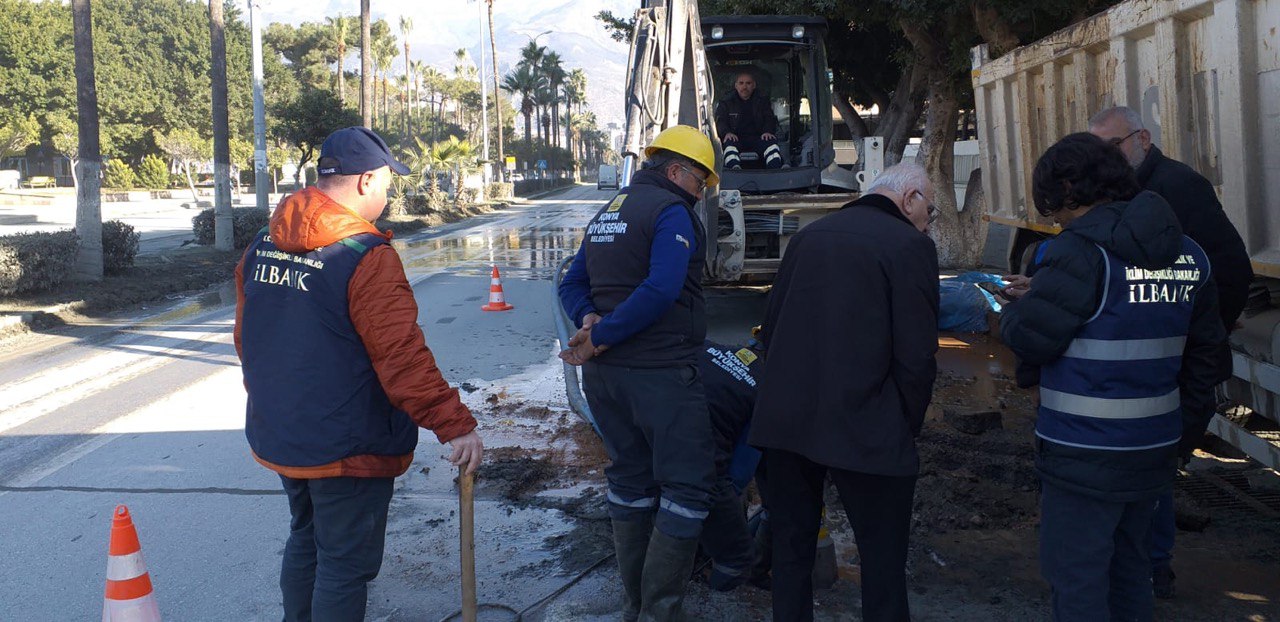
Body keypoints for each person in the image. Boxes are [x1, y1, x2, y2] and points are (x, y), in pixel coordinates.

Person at [235, 126, 484, 622]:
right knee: (344, 565)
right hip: (346, 445)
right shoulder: (366, 257)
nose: (389, 196)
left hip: (284, 432)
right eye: (388, 184)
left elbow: (248, 339)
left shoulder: (263, 244)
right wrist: (454, 423)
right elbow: (402, 358)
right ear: (367, 180)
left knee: (306, 539)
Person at [1000, 133, 1227, 622]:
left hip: (1082, 453)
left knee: (1077, 578)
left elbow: (1032, 338)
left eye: (1051, 206)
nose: (1053, 219)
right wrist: (1182, 432)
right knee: (1131, 572)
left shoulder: (1080, 253)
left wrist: (1021, 306)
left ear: (1066, 190)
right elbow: (1208, 355)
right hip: (1153, 450)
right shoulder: (1188, 253)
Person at [750, 161, 939, 622]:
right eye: (929, 210)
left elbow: (770, 331)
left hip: (787, 423)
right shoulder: (910, 246)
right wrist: (904, 424)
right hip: (868, 427)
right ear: (909, 198)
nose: (928, 221)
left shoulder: (809, 237)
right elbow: (916, 356)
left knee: (791, 556)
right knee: (883, 566)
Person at [557, 124, 719, 620]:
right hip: (662, 374)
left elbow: (572, 282)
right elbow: (661, 289)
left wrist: (588, 319)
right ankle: (658, 612)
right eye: (700, 181)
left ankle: (635, 606)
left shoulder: (611, 210)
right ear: (675, 170)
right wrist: (601, 334)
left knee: (631, 482)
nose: (701, 192)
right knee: (688, 488)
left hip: (606, 381)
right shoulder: (671, 212)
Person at [1088, 105, 1245, 598]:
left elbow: (1230, 266)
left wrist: (1204, 331)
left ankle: (1154, 567)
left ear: (1143, 138)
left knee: (1154, 472)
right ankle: (1142, 565)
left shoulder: (1179, 187)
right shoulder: (1123, 190)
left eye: (1111, 148)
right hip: (1147, 365)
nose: (1104, 159)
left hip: (1171, 364)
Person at [696, 339, 763, 592]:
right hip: (701, 463)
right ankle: (717, 588)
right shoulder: (769, 390)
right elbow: (740, 472)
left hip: (653, 441)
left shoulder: (709, 348)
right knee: (737, 558)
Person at [715, 70, 783, 170]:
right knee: (728, 145)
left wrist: (767, 131)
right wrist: (727, 133)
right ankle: (734, 169)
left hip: (758, 138)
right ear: (736, 85)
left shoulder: (762, 101)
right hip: (735, 138)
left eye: (748, 83)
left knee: (771, 144)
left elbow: (769, 118)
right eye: (741, 83)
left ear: (754, 85)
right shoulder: (726, 102)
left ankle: (775, 170)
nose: (744, 87)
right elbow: (720, 120)